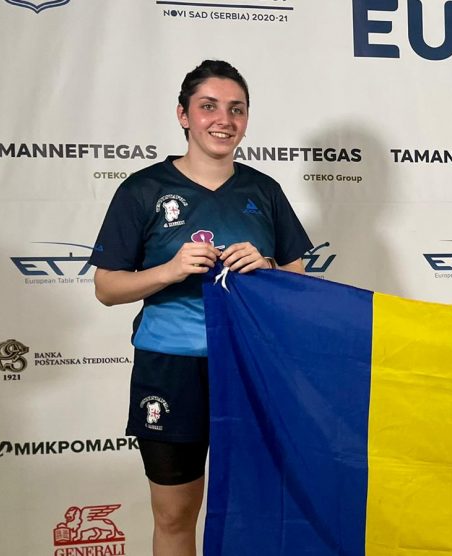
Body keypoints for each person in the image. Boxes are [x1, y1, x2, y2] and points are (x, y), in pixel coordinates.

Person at [90, 60, 312, 556]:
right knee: (175, 513)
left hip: (250, 368)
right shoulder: (143, 189)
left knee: (258, 507)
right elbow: (106, 288)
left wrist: (267, 267)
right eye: (208, 106)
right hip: (170, 369)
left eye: (236, 109)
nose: (224, 120)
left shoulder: (264, 191)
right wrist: (169, 270)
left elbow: (298, 281)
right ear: (183, 115)